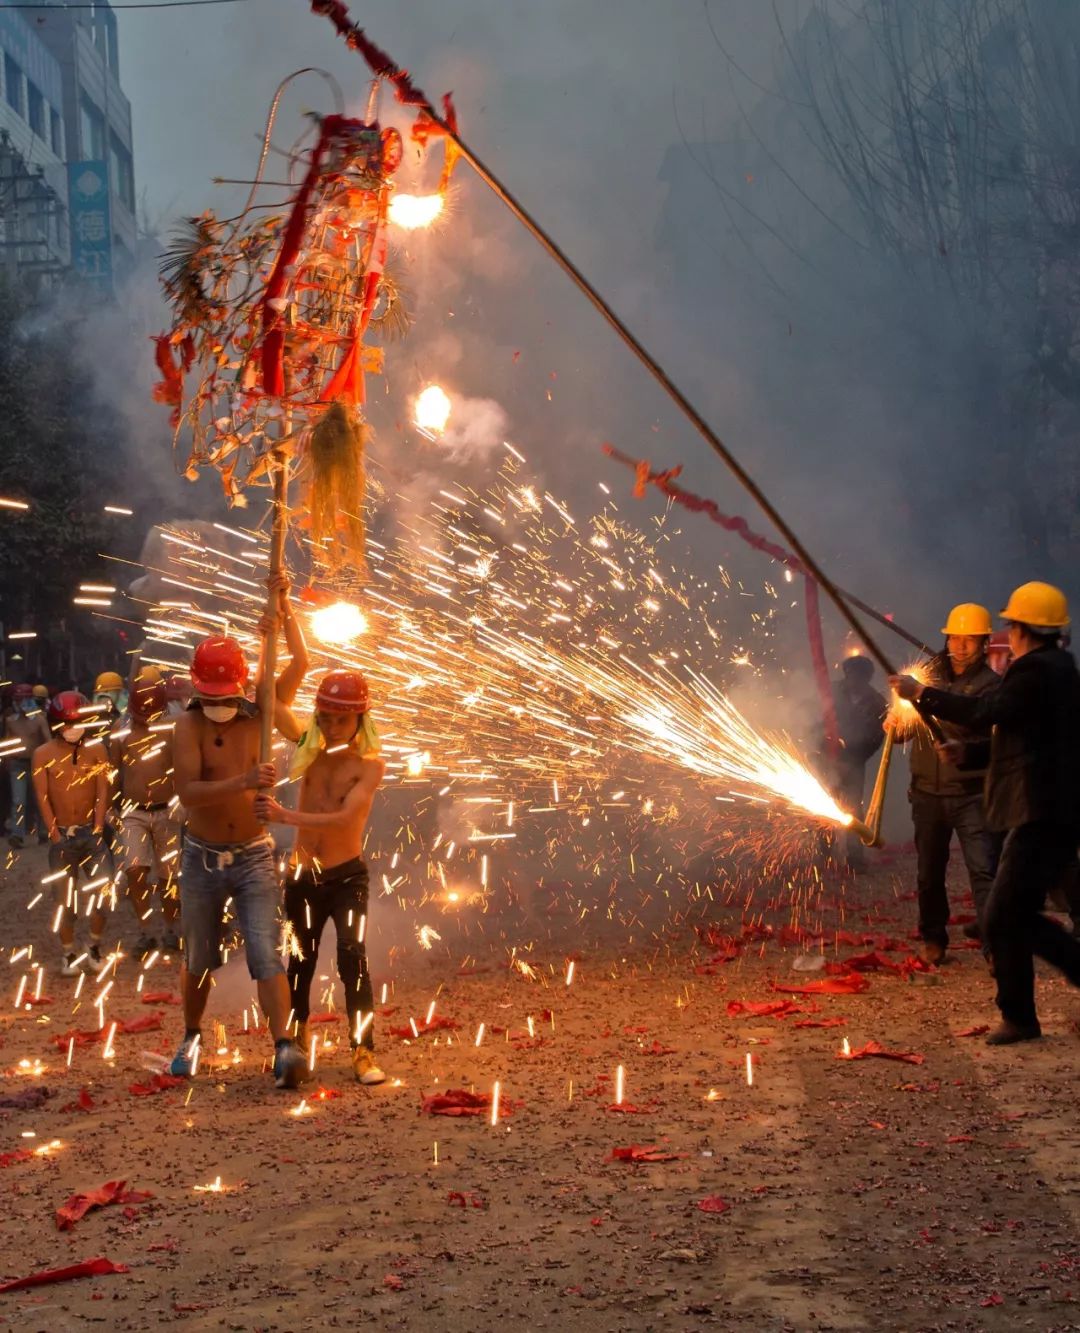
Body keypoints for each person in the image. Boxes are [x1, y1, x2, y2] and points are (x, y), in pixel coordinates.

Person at [892, 581, 1080, 1045]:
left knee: (1003, 915)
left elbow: (986, 712)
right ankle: (1018, 1016)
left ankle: (1026, 1009)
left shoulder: (1038, 673)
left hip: (1043, 813)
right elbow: (1012, 738)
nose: (1007, 633)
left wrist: (922, 694)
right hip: (1045, 810)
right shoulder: (1052, 670)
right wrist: (971, 755)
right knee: (1008, 913)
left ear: (1024, 629)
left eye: (1011, 624)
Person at [169, 580, 311, 1089]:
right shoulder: (186, 727)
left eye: (225, 696)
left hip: (253, 854)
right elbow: (189, 792)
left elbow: (300, 663)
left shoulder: (264, 710)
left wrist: (286, 610)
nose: (217, 705)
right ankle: (190, 1035)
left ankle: (284, 1046)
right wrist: (244, 781)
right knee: (200, 956)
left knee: (265, 952)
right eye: (208, 697)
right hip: (201, 855)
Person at [256, 668, 386, 1085]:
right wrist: (281, 615)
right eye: (325, 718)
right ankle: (296, 1041)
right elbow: (270, 702)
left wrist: (283, 816)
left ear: (359, 720)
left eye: (341, 720)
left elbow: (345, 818)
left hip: (348, 877)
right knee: (300, 961)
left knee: (353, 959)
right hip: (303, 876)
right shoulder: (307, 746)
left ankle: (363, 1050)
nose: (331, 727)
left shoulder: (370, 765)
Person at [909, 604, 1001, 964]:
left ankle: (995, 947)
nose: (961, 646)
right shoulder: (925, 678)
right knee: (928, 873)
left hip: (970, 794)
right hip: (926, 793)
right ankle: (933, 938)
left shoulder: (992, 687)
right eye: (955, 638)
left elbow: (995, 741)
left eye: (970, 639)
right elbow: (903, 728)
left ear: (984, 643)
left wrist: (965, 748)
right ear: (946, 639)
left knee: (984, 872)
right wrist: (895, 725)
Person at [31, 691, 111, 976]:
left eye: (77, 723)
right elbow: (42, 796)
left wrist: (99, 828)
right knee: (64, 900)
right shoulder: (42, 754)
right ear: (56, 725)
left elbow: (103, 789)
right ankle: (68, 954)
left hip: (93, 834)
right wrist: (54, 835)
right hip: (62, 835)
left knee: (104, 891)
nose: (73, 728)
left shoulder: (98, 750)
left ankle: (95, 947)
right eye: (67, 724)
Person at [111, 677, 181, 956]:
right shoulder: (121, 729)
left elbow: (182, 767)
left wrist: (182, 801)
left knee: (169, 876)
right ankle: (145, 932)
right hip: (132, 813)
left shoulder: (173, 728)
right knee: (134, 871)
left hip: (167, 810)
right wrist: (110, 808)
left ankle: (171, 930)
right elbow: (113, 771)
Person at [832, 654, 887, 871]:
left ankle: (855, 857)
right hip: (827, 758)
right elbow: (815, 716)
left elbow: (876, 738)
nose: (853, 680)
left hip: (854, 762)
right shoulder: (832, 691)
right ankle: (825, 852)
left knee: (853, 808)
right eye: (850, 675)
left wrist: (856, 757)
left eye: (859, 677)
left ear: (867, 678)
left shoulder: (877, 703)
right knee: (823, 803)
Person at [4, 684, 50, 847]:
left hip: (36, 764)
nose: (19, 703)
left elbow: (48, 742)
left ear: (29, 700)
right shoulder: (10, 721)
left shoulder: (39, 720)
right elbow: (8, 743)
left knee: (40, 800)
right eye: (17, 699)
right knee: (19, 801)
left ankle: (44, 831)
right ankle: (17, 835)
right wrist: (7, 759)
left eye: (22, 699)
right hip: (18, 764)